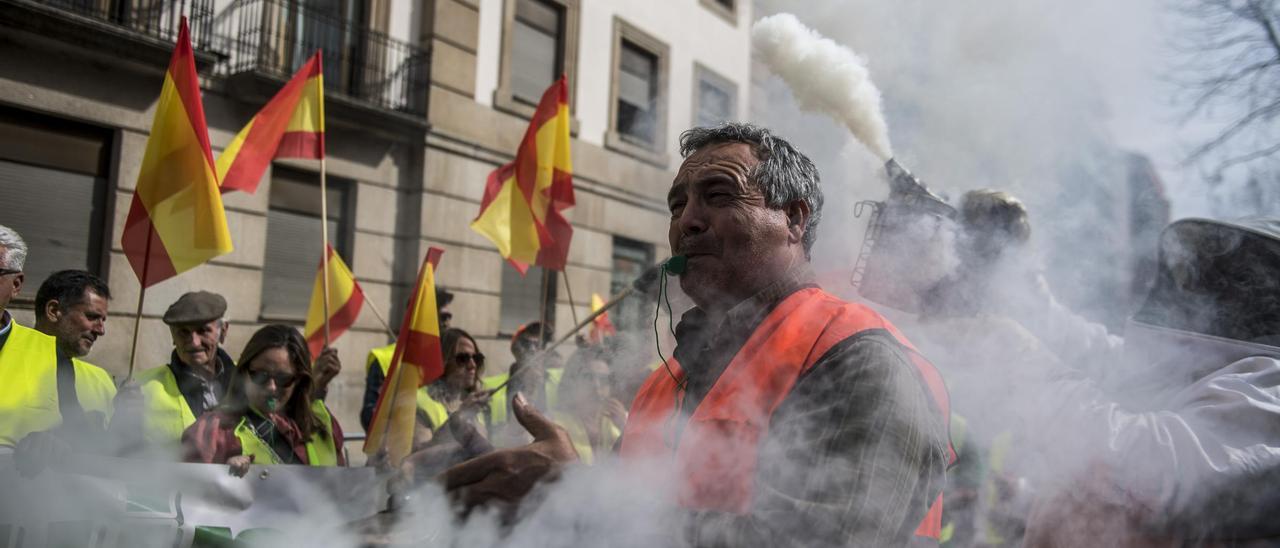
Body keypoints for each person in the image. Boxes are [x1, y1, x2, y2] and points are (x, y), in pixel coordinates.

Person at [440, 123, 953, 546]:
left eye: (718, 196)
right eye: (677, 205)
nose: (687, 222)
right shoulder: (668, 379)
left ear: (794, 218)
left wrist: (576, 497)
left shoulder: (860, 358)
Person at [1024, 217, 1280, 545]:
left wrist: (1029, 370)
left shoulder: (1272, 389)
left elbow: (1155, 467)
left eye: (1243, 276)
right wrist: (1012, 273)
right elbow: (1085, 347)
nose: (1204, 288)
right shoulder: (1181, 369)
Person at [0, 227, 116, 457]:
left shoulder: (52, 355)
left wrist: (53, 444)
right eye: (92, 316)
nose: (100, 330)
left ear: (16, 285)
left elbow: (83, 449)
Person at [182, 324, 345, 476]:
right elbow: (187, 494)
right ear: (244, 373)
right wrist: (222, 476)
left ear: (299, 380)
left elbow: (344, 492)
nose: (271, 387)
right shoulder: (211, 431)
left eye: (283, 378)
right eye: (260, 376)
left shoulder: (323, 424)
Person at [360, 286, 454, 432]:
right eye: (443, 317)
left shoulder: (447, 359)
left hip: (444, 452)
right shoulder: (386, 359)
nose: (447, 323)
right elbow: (369, 417)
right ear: (424, 316)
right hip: (396, 451)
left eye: (449, 317)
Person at [552, 346, 626, 465]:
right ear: (572, 382)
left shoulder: (620, 420)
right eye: (588, 377)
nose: (596, 386)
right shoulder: (554, 423)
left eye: (603, 379)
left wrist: (625, 428)